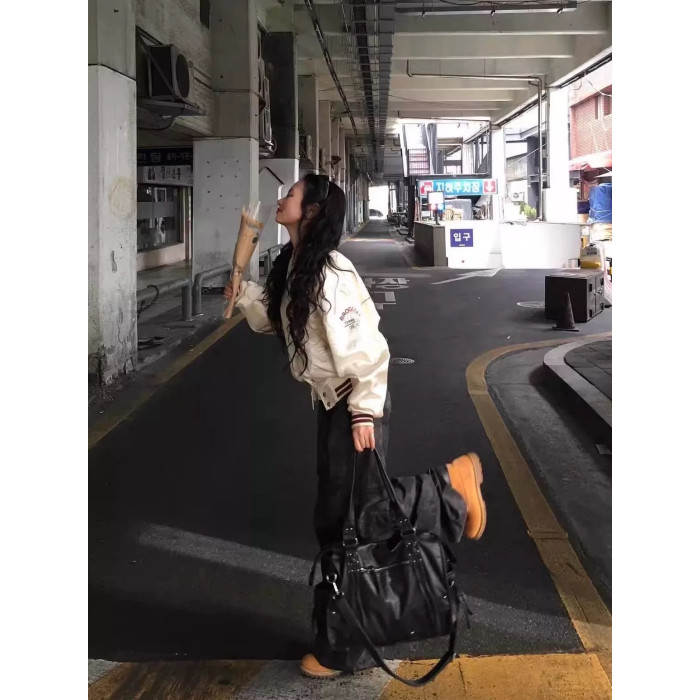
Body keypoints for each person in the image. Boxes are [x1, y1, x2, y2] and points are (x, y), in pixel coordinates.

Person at [224, 173, 487, 679]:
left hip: (353, 404)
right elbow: (281, 323)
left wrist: (364, 408)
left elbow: (368, 346)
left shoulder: (330, 272)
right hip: (333, 403)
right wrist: (243, 294)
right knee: (348, 515)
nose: (281, 199)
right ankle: (448, 491)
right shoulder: (296, 264)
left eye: (291, 194)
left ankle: (448, 492)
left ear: (312, 210)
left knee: (346, 518)